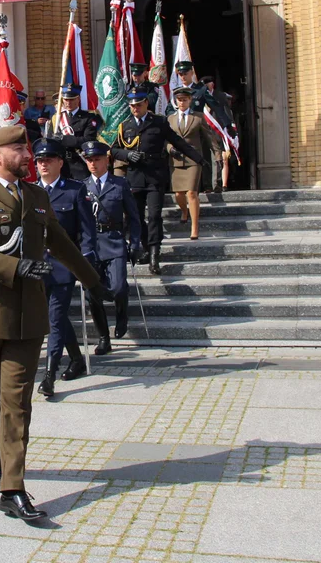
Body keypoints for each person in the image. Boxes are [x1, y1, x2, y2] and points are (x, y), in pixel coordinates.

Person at [0, 125, 110, 521]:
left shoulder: (37, 196)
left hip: (28, 317)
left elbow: (60, 241)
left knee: (17, 402)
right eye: (20, 148)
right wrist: (16, 266)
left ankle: (13, 488)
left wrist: (92, 280)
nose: (29, 154)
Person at [111, 84, 204, 274]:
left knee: (154, 216)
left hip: (155, 176)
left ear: (146, 103)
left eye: (138, 104)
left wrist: (199, 159)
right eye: (132, 105)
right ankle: (145, 247)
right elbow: (113, 150)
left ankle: (154, 253)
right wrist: (127, 156)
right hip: (135, 177)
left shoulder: (159, 122)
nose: (135, 108)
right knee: (135, 217)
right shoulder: (125, 126)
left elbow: (177, 142)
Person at [33, 138, 96, 398]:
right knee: (54, 317)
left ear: (60, 162)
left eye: (49, 159)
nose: (43, 164)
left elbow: (87, 231)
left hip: (63, 266)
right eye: (39, 160)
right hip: (35, 267)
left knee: (55, 319)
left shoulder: (74, 190)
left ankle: (49, 375)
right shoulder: (29, 191)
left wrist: (85, 262)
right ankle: (77, 359)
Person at [81, 141, 141, 351]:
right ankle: (103, 338)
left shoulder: (120, 184)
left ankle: (122, 312)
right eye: (89, 160)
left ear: (107, 160)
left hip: (114, 241)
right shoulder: (83, 186)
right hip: (91, 245)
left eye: (97, 159)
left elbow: (134, 217)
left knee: (117, 287)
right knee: (92, 293)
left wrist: (135, 243)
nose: (93, 164)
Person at [168, 86, 219, 240]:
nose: (182, 102)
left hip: (193, 159)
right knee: (179, 194)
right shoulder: (170, 119)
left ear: (190, 100)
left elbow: (209, 137)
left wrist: (217, 154)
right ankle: (184, 211)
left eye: (185, 99)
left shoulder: (198, 117)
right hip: (176, 159)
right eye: (179, 100)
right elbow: (166, 139)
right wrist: (170, 149)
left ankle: (194, 228)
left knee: (191, 192)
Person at [48, 82, 103, 181]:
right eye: (66, 100)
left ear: (78, 99)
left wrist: (64, 139)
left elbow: (88, 140)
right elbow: (49, 140)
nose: (68, 103)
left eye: (72, 99)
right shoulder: (57, 118)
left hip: (79, 162)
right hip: (61, 163)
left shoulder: (88, 117)